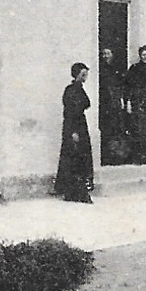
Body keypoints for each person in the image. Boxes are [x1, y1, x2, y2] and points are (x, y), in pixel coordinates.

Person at [55, 62, 95, 203]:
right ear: (77, 74)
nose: (85, 77)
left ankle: (77, 190)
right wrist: (73, 132)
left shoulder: (79, 89)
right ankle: (74, 192)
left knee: (81, 157)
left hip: (80, 125)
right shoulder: (71, 90)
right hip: (74, 127)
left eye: (86, 74)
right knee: (74, 158)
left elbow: (86, 103)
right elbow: (70, 112)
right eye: (83, 74)